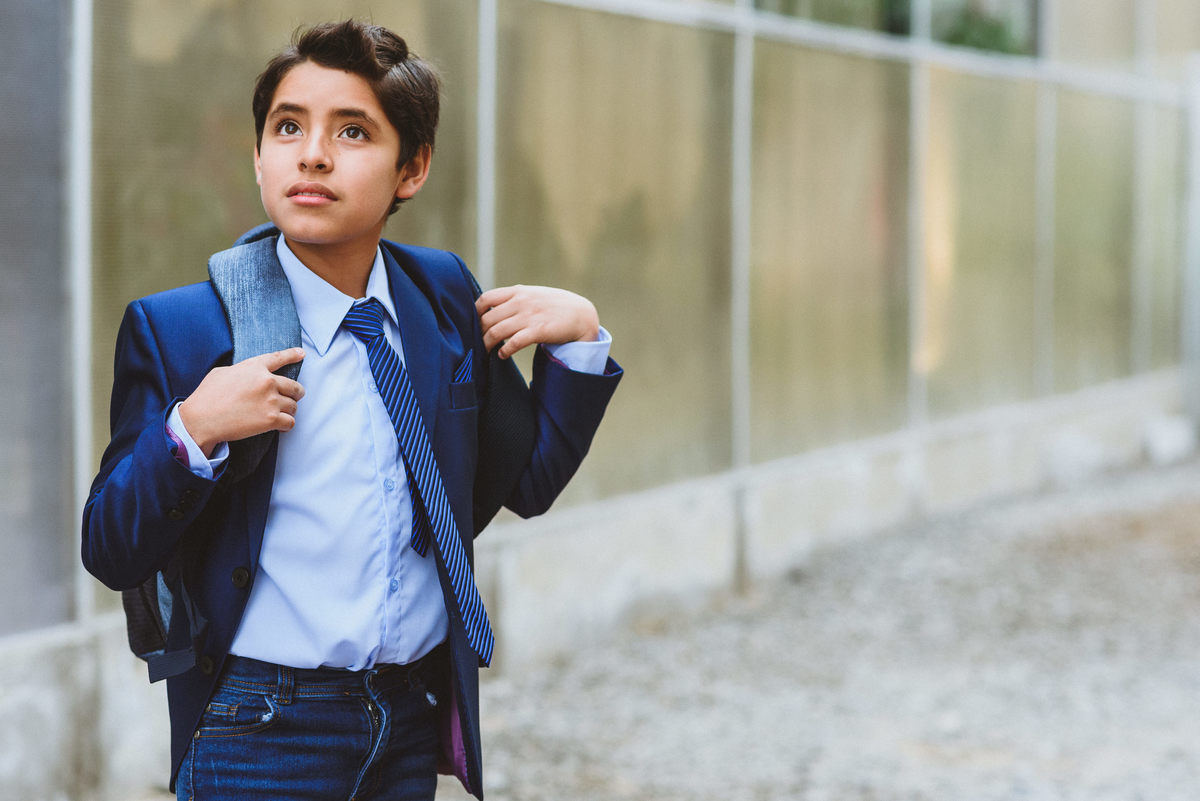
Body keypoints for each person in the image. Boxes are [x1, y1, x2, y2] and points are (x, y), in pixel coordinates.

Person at [81, 20, 621, 801]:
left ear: (413, 168)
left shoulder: (441, 298)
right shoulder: (189, 329)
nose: (314, 154)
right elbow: (110, 548)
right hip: (258, 728)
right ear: (260, 154)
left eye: (354, 131)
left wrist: (579, 338)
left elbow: (525, 482)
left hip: (405, 720)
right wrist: (191, 431)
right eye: (288, 126)